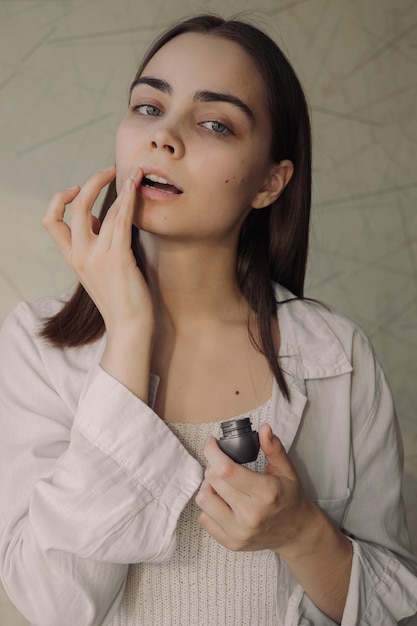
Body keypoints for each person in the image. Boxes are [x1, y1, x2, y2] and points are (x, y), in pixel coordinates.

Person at [0, 13, 416, 626]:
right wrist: (130, 337)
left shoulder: (337, 356)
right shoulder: (36, 347)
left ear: (269, 184)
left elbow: (395, 605)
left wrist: (303, 533)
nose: (164, 138)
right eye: (148, 107)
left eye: (215, 123)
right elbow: (53, 605)